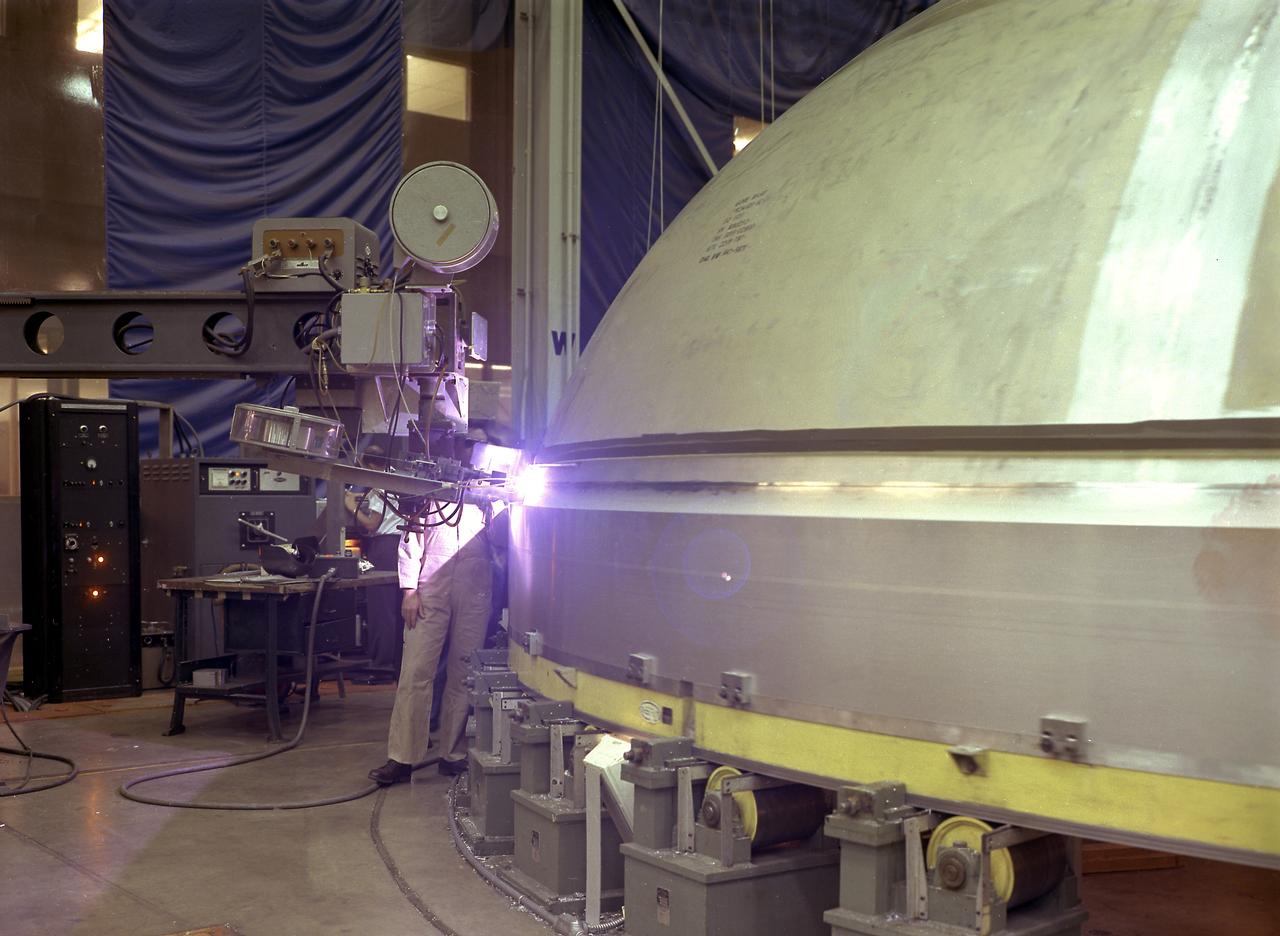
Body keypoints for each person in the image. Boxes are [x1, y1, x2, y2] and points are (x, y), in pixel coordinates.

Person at [368, 492, 494, 784]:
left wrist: (498, 503)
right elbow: (411, 536)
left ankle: (453, 754)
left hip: (475, 584)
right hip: (430, 586)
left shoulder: (490, 492)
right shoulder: (432, 489)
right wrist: (409, 590)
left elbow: (502, 540)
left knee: (464, 671)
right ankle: (401, 758)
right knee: (415, 671)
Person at [344, 484, 403, 679]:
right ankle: (397, 663)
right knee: (396, 609)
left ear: (368, 466)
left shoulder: (380, 486)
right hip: (403, 545)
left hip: (385, 547)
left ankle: (381, 666)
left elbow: (372, 524)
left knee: (381, 610)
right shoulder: (400, 482)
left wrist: (351, 505)